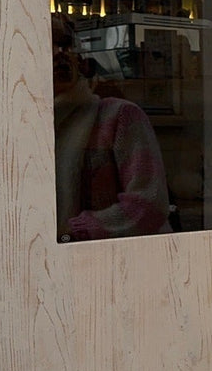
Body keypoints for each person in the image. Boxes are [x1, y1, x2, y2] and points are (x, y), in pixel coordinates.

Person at [51, 13, 172, 241]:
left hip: (121, 257)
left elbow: (148, 204)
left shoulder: (118, 116)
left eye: (67, 45)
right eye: (49, 45)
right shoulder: (28, 127)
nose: (61, 53)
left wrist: (74, 232)